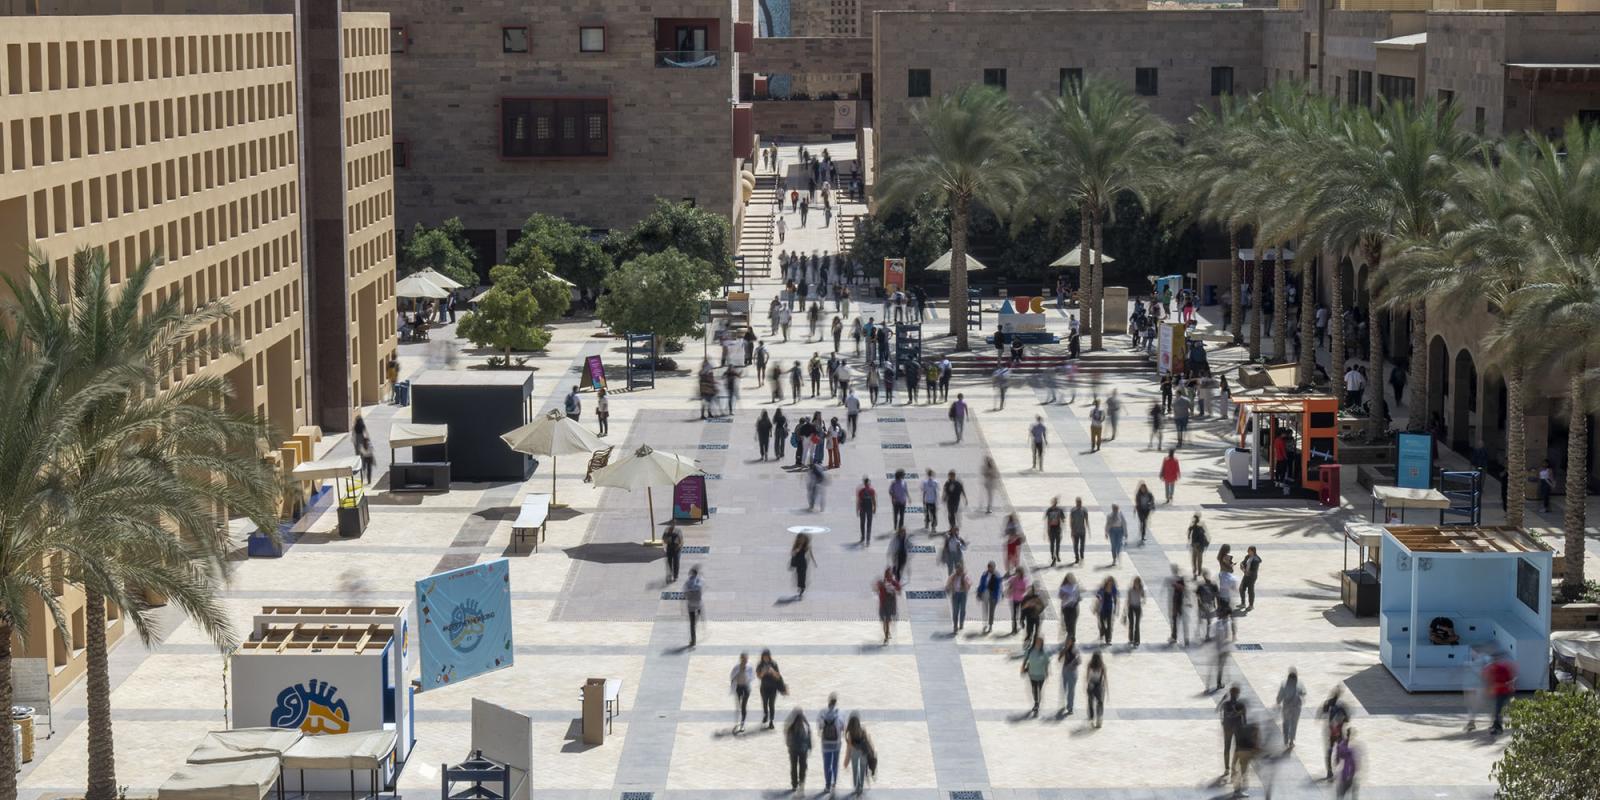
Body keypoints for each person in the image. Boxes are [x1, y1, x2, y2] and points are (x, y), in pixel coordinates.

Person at [1318, 686, 1351, 780]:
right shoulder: (1341, 705)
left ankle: (1329, 770)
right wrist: (1342, 720)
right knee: (1340, 749)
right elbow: (1347, 719)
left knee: (1329, 751)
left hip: (1330, 732)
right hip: (1338, 731)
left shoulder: (1328, 703)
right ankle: (1336, 763)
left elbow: (1322, 713)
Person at [1485, 649, 1518, 734]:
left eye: (1494, 659)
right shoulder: (1493, 667)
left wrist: (1505, 685)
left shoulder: (1502, 668)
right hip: (1497, 691)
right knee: (1496, 709)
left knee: (1498, 710)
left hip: (1503, 692)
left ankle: (1498, 728)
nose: (1493, 660)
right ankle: (1495, 725)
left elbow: (1510, 679)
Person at [843, 713, 876, 796]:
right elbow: (868, 741)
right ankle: (860, 787)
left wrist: (846, 760)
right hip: (863, 753)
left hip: (854, 753)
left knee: (855, 770)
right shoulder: (862, 730)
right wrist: (872, 750)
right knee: (862, 770)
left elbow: (849, 747)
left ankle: (856, 786)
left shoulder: (850, 733)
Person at [818, 694, 845, 792]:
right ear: (836, 702)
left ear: (828, 701)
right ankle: (834, 783)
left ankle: (827, 785)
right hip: (836, 744)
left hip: (825, 744)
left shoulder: (822, 712)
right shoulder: (840, 713)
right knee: (835, 763)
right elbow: (843, 727)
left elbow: (820, 727)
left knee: (827, 764)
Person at [1218, 684, 1246, 777]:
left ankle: (1230, 767)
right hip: (1233, 728)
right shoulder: (1238, 705)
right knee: (1231, 748)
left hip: (1231, 728)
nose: (1234, 695)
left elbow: (1244, 719)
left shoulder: (1231, 704)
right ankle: (1229, 767)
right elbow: (1244, 719)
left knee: (1231, 748)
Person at [1021, 634, 1051, 717]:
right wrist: (1023, 668)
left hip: (1041, 675)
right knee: (1034, 689)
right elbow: (1025, 659)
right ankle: (1036, 702)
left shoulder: (1044, 652)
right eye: (1037, 641)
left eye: (1040, 641)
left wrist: (1047, 672)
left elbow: (1046, 662)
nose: (1038, 642)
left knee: (1039, 689)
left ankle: (1037, 703)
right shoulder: (1030, 650)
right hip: (1032, 674)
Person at [1277, 667, 1306, 750]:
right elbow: (1304, 693)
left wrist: (1278, 702)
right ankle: (1291, 741)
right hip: (1296, 708)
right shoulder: (1300, 683)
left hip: (1287, 707)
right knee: (1294, 724)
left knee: (1286, 723)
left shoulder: (1284, 683)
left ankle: (1286, 740)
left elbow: (1280, 696)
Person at [756, 649, 786, 729]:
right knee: (765, 703)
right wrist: (763, 672)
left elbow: (778, 676)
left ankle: (771, 721)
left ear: (769, 656)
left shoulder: (774, 664)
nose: (766, 658)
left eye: (767, 656)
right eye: (764, 657)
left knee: (771, 705)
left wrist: (772, 671)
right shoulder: (760, 665)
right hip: (764, 688)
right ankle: (765, 714)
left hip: (773, 688)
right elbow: (759, 676)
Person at [785, 708, 812, 792]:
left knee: (793, 766)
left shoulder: (791, 725)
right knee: (803, 766)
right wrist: (809, 746)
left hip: (793, 749)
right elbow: (808, 737)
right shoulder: (805, 724)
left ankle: (794, 784)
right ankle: (801, 783)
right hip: (803, 749)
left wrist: (789, 745)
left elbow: (787, 737)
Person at [875, 568, 901, 644]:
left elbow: (899, 590)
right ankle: (886, 637)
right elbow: (876, 589)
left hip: (890, 605)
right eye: (887, 575)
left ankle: (887, 633)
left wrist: (894, 589)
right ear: (885, 575)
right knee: (885, 621)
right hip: (883, 604)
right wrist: (880, 586)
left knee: (888, 621)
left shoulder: (894, 583)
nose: (889, 576)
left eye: (890, 575)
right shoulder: (882, 583)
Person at [729, 652, 754, 732]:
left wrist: (746, 677)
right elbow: (732, 676)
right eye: (743, 659)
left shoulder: (749, 667)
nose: (745, 661)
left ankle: (742, 724)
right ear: (741, 659)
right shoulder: (736, 667)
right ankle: (736, 723)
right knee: (738, 707)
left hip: (746, 688)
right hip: (738, 688)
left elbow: (752, 677)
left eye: (746, 659)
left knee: (744, 706)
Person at [1057, 636, 1081, 717]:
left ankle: (1070, 707)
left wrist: (1073, 664)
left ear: (1073, 641)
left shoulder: (1076, 650)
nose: (1067, 642)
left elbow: (1079, 661)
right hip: (1065, 671)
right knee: (1065, 689)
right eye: (1067, 640)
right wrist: (1064, 650)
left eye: (1069, 640)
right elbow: (1059, 659)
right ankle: (1065, 704)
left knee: (1071, 691)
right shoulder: (1065, 648)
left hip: (1073, 673)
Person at [977, 561, 1003, 634]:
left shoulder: (997, 574)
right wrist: (979, 593)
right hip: (985, 593)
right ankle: (985, 623)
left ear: (994, 567)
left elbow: (1000, 586)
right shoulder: (985, 574)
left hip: (993, 594)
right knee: (985, 609)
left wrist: (1000, 594)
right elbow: (981, 584)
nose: (989, 568)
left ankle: (990, 625)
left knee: (992, 610)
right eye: (989, 567)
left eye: (991, 567)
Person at [790, 533, 818, 599]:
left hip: (803, 562)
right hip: (797, 562)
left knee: (803, 575)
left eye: (802, 539)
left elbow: (811, 554)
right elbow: (792, 552)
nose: (801, 540)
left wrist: (814, 562)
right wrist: (795, 551)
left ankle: (802, 588)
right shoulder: (796, 544)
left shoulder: (807, 546)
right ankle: (800, 587)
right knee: (798, 575)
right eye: (800, 538)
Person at [1167, 565, 1190, 646]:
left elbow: (1184, 589)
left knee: (1177, 621)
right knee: (1179, 622)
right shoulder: (1178, 579)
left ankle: (1179, 638)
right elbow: (1185, 590)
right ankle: (1180, 638)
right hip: (1178, 603)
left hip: (1177, 604)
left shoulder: (1175, 580)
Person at [946, 562, 972, 633]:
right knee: (955, 610)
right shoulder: (953, 576)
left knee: (962, 610)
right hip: (955, 594)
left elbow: (969, 584)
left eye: (960, 570)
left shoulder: (965, 576)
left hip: (963, 594)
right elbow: (948, 584)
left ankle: (961, 623)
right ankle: (955, 626)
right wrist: (950, 588)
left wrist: (965, 585)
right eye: (957, 570)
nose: (958, 572)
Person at [1334, 727, 1359, 798]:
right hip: (1346, 772)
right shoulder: (1343, 745)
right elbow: (1338, 758)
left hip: (1351, 773)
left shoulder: (1352, 745)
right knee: (1341, 793)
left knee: (1349, 793)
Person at [1085, 651, 1108, 728]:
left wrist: (1087, 685)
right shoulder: (1101, 665)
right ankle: (1098, 719)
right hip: (1097, 684)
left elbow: (1087, 676)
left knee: (1092, 702)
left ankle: (1093, 718)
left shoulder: (1099, 666)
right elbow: (1105, 678)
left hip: (1094, 684)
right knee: (1099, 702)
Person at [1094, 577, 1118, 645]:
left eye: (1111, 581)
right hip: (1102, 608)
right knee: (1102, 622)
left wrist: (1115, 608)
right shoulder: (1103, 588)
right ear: (1106, 581)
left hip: (1109, 608)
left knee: (1109, 624)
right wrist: (1099, 597)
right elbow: (1097, 594)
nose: (1110, 583)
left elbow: (1115, 598)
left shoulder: (1113, 588)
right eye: (1108, 581)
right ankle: (1103, 632)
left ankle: (1108, 640)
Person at [685, 566, 704, 647]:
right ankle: (697, 620)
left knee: (692, 624)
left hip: (691, 606)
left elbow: (685, 594)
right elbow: (701, 591)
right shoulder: (700, 581)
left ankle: (693, 640)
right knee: (695, 622)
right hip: (698, 605)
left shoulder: (688, 582)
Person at [1059, 573, 1081, 641]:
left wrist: (1076, 597)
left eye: (1071, 578)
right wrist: (1065, 596)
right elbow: (1060, 596)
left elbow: (1079, 597)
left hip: (1074, 608)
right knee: (1067, 624)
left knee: (1072, 624)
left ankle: (1072, 639)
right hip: (1066, 608)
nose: (1070, 580)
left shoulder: (1076, 586)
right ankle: (1070, 636)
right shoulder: (1063, 587)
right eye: (1068, 578)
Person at [1240, 546, 1262, 612]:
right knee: (1241, 588)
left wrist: (1244, 571)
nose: (1247, 551)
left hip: (1251, 577)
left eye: (1249, 550)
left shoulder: (1256, 560)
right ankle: (1243, 603)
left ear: (1253, 551)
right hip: (1246, 575)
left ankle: (1251, 605)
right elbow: (1243, 562)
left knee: (1250, 590)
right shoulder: (1247, 556)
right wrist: (1241, 565)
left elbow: (1253, 570)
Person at [1006, 568, 1029, 635]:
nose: (1017, 574)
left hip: (1022, 599)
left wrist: (1018, 590)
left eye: (1018, 573)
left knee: (1022, 614)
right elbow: (1008, 583)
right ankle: (1014, 629)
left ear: (1021, 573)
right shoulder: (1013, 578)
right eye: (1016, 573)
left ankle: (1022, 621)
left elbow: (1025, 590)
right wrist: (1009, 587)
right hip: (1014, 599)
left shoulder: (1024, 580)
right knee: (1014, 615)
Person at [1045, 497, 1066, 566]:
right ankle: (1053, 556)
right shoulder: (1049, 510)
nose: (1054, 503)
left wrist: (1063, 520)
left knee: (1057, 544)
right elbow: (1047, 520)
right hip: (1051, 529)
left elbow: (1063, 519)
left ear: (1056, 503)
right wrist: (1047, 530)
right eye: (1053, 502)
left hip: (1057, 529)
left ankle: (1057, 555)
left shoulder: (1059, 510)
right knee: (1052, 544)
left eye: (1055, 502)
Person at [855, 478, 877, 544]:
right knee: (869, 524)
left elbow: (859, 501)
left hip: (863, 508)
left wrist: (858, 509)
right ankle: (867, 539)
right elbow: (873, 500)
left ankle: (863, 538)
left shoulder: (861, 491)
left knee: (862, 523)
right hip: (868, 507)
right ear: (868, 483)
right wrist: (874, 507)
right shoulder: (871, 490)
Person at [1125, 576, 1145, 646]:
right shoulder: (1130, 589)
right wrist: (1125, 609)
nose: (1136, 584)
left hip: (1138, 607)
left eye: (1137, 583)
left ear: (1139, 584)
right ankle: (1131, 639)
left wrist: (1142, 599)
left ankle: (1137, 640)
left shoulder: (1141, 589)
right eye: (1135, 583)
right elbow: (1128, 599)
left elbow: (1143, 597)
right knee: (1131, 624)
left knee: (1137, 625)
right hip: (1131, 607)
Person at [1069, 497, 1090, 565]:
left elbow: (1086, 520)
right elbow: (1071, 521)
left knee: (1082, 545)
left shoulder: (1084, 510)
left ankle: (1081, 555)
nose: (1079, 503)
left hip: (1082, 531)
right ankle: (1077, 557)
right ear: (1076, 502)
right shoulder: (1073, 510)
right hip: (1075, 531)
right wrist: (1072, 530)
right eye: (1078, 502)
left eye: (1080, 502)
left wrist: (1088, 528)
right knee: (1075, 545)